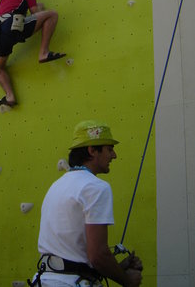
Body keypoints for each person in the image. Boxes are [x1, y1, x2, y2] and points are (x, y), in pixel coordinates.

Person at [30, 120, 143, 287]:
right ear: (92, 151)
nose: (114, 155)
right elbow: (97, 255)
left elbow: (74, 254)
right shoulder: (96, 187)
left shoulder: (57, 185)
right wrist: (127, 281)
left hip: (44, 280)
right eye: (109, 149)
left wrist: (117, 268)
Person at [0, 0, 65, 108]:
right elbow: (35, 12)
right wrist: (39, 6)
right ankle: (43, 52)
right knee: (52, 15)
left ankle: (10, 96)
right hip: (13, 24)